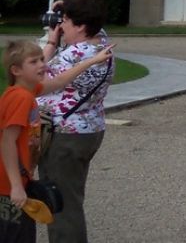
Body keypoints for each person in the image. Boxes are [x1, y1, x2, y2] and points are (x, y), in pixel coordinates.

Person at [0, 39, 113, 243]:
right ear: (16, 70)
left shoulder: (28, 91)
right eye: (33, 62)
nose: (42, 64)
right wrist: (16, 186)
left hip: (14, 181)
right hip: (7, 185)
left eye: (41, 59)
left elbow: (60, 81)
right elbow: (7, 142)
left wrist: (93, 60)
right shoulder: (21, 98)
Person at [39, 0, 116, 243]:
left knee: (61, 203)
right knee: (71, 195)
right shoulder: (101, 44)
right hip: (89, 129)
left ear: (81, 26)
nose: (61, 26)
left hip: (65, 135)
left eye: (65, 21)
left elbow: (35, 79)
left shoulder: (75, 54)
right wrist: (67, 7)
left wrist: (51, 42)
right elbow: (94, 20)